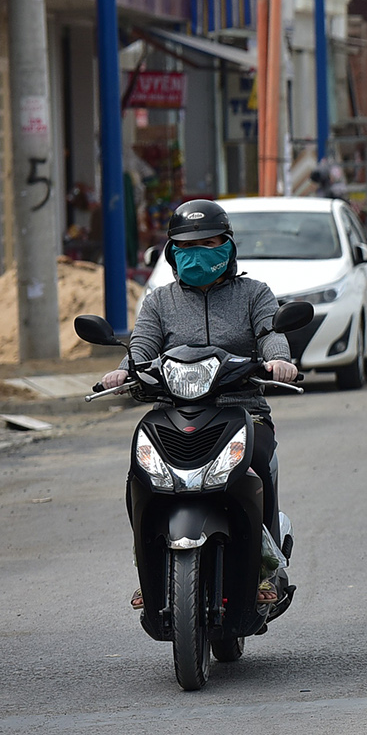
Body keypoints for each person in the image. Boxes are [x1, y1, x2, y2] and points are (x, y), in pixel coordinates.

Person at [100, 200, 300, 606]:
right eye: (187, 246)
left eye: (209, 243)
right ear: (172, 252)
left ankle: (266, 567)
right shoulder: (159, 301)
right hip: (172, 412)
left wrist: (279, 360)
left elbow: (271, 333)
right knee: (140, 474)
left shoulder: (254, 294)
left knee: (259, 462)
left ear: (228, 246)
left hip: (242, 409)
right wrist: (123, 372)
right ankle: (149, 569)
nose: (198, 253)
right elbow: (142, 347)